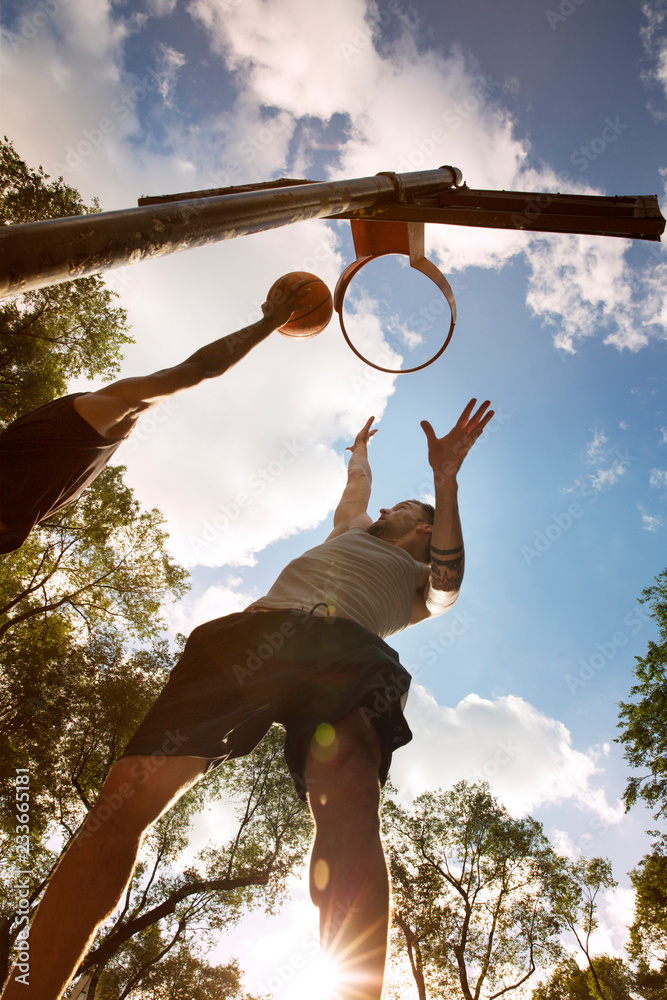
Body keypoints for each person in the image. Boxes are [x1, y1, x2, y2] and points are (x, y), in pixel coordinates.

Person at [0, 397, 493, 1000]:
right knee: (126, 793)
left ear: (423, 527)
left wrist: (445, 481)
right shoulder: (351, 532)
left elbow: (449, 582)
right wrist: (359, 452)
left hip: (346, 654)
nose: (386, 507)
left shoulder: (420, 584)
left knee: (351, 806)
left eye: (406, 507)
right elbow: (358, 493)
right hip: (254, 635)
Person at [0, 278, 307, 554]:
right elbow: (198, 369)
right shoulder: (79, 423)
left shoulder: (79, 428)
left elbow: (195, 370)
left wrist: (269, 323)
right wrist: (269, 323)